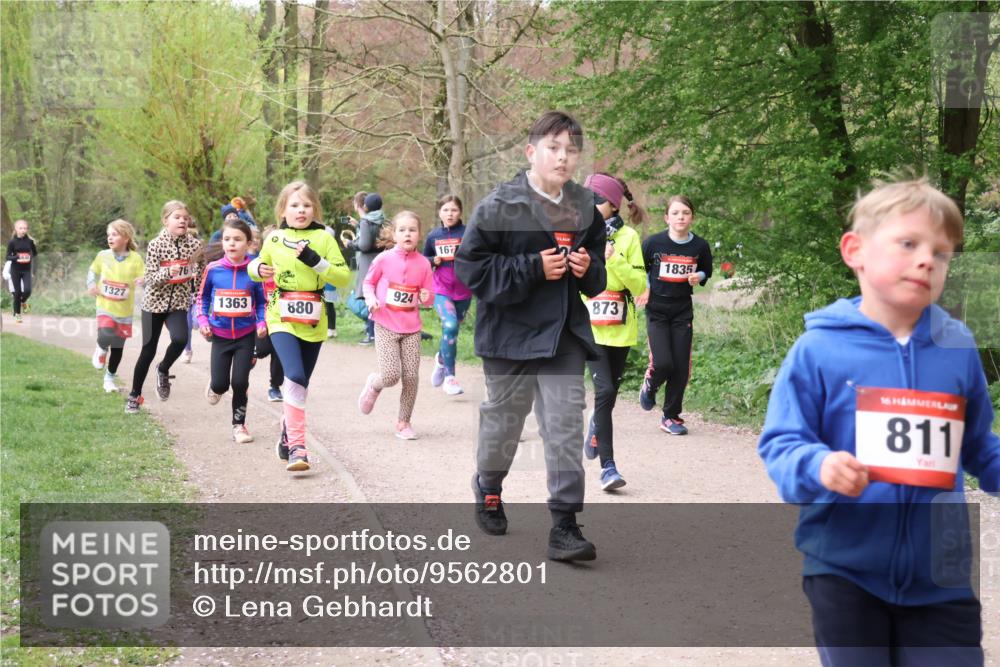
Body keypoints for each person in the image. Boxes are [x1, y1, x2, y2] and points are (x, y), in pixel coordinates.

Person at [758, 178, 1000, 667]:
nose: (927, 259)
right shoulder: (819, 349)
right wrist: (819, 465)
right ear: (856, 251)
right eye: (908, 243)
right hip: (844, 569)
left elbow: (978, 447)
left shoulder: (957, 348)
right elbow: (782, 441)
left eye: (942, 252)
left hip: (941, 578)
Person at [454, 110, 607, 562]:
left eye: (571, 150)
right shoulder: (499, 206)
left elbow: (597, 273)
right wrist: (532, 268)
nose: (562, 158)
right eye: (553, 148)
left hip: (563, 335)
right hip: (509, 336)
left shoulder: (584, 206)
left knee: (563, 425)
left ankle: (564, 525)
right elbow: (470, 270)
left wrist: (588, 270)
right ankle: (489, 486)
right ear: (531, 152)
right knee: (505, 424)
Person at [249, 181, 351, 472]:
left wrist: (317, 263)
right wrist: (258, 269)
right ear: (283, 210)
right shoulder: (275, 238)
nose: (301, 210)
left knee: (301, 383)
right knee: (292, 375)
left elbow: (344, 278)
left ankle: (286, 432)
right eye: (294, 205)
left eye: (306, 205)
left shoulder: (324, 239)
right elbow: (255, 266)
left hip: (313, 319)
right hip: (280, 317)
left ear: (315, 209)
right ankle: (297, 448)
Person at [580, 173, 647, 490]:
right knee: (604, 391)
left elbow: (638, 285)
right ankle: (608, 468)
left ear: (612, 205)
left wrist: (614, 260)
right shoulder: (580, 234)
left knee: (609, 396)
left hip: (621, 329)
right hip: (590, 329)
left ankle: (596, 424)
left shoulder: (629, 238)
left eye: (596, 201)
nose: (590, 206)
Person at [637, 195, 713, 435]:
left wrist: (699, 276)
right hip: (657, 310)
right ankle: (651, 382)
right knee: (663, 363)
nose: (681, 217)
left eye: (686, 213)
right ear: (666, 217)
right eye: (676, 213)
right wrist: (645, 288)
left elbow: (707, 270)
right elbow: (640, 269)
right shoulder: (653, 243)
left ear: (692, 217)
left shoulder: (699, 246)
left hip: (682, 310)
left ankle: (671, 417)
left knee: (681, 366)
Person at [357, 211, 435, 439]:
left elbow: (430, 297)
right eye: (402, 230)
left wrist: (424, 297)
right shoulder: (383, 259)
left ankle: (403, 423)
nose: (407, 234)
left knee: (411, 377)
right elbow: (368, 283)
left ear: (419, 235)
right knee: (391, 375)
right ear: (394, 234)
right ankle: (374, 383)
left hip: (411, 328)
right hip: (385, 323)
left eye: (412, 230)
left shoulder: (423, 264)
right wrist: (371, 300)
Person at [126, 201, 203, 414]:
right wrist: (168, 273)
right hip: (153, 304)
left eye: (185, 218)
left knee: (180, 339)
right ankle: (134, 395)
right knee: (147, 351)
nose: (182, 221)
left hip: (178, 303)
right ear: (165, 221)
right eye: (177, 217)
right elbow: (149, 278)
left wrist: (198, 294)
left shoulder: (195, 246)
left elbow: (202, 273)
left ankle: (163, 369)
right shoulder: (156, 245)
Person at [197, 218, 267, 444]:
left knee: (239, 382)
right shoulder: (213, 269)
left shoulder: (255, 270)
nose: (232, 244)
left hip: (246, 336)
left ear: (248, 243)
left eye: (237, 239)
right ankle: (215, 385)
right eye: (227, 239)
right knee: (221, 384)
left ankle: (239, 425)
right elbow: (203, 297)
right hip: (220, 336)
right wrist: (202, 320)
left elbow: (263, 301)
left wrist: (261, 322)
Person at [87, 219, 145, 393]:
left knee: (118, 347)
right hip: (105, 305)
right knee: (106, 333)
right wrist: (91, 284)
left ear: (126, 237)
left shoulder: (136, 259)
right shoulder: (103, 255)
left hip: (125, 312)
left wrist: (143, 280)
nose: (110, 238)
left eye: (114, 234)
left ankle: (109, 379)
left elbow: (144, 276)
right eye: (108, 235)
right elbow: (92, 271)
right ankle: (101, 348)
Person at [423, 194, 473, 396]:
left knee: (452, 331)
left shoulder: (469, 232)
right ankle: (450, 378)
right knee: (450, 326)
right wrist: (432, 260)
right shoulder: (433, 236)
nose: (450, 214)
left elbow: (479, 255)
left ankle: (442, 359)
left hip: (464, 291)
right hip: (441, 289)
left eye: (453, 210)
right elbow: (423, 259)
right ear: (439, 212)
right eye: (445, 210)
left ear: (460, 212)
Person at [347, 191, 385, 345]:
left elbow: (364, 245)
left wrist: (350, 244)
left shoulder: (366, 221)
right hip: (382, 261)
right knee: (379, 296)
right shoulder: (384, 219)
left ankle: (371, 334)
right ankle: (378, 332)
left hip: (368, 263)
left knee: (369, 297)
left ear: (366, 206)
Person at [252, 225, 285, 403]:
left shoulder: (288, 264)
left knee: (279, 352)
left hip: (282, 318)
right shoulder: (258, 266)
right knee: (263, 349)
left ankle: (275, 386)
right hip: (261, 319)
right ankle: (249, 358)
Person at [5, 219, 38, 323]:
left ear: (27, 229)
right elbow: (7, 257)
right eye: (21, 228)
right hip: (15, 270)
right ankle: (17, 314)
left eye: (25, 228)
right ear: (16, 229)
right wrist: (16, 257)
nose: (23, 230)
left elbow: (35, 255)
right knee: (17, 292)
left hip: (26, 270)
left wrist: (34, 270)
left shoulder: (30, 242)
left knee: (28, 291)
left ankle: (23, 302)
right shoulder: (12, 242)